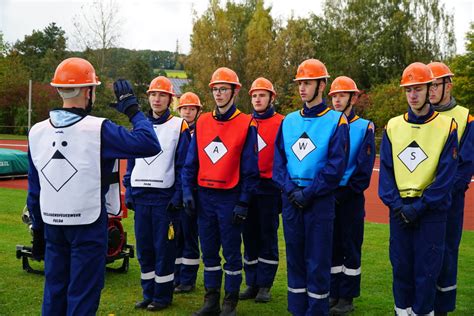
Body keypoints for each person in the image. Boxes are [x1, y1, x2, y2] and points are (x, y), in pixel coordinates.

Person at [26, 57, 161, 315]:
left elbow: (35, 190)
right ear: (89, 91)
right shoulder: (99, 129)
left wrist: (38, 232)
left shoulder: (37, 131)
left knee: (54, 293)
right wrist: (133, 110)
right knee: (83, 296)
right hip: (87, 226)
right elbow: (148, 143)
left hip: (52, 226)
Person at [378, 62, 459, 315]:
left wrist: (420, 207)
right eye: (408, 90)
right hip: (399, 210)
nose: (412, 95)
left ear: (428, 89)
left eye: (417, 89)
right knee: (401, 270)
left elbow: (446, 177)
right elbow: (386, 174)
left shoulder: (447, 126)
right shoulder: (392, 126)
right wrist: (398, 205)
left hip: (430, 213)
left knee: (427, 273)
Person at [273, 59, 349, 316]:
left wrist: (310, 192)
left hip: (319, 203)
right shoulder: (288, 121)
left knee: (317, 262)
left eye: (307, 83)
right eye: (300, 83)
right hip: (292, 199)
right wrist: (291, 190)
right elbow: (279, 163)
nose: (302, 88)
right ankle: (297, 310)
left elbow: (335, 167)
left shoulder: (337, 121)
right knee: (294, 261)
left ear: (322, 85)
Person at [182, 67, 259, 316]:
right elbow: (190, 162)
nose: (218, 94)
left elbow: (250, 169)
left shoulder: (247, 123)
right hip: (205, 197)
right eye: (215, 89)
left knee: (232, 253)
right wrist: (187, 192)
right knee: (209, 252)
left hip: (231, 197)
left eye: (223, 89)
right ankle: (211, 300)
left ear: (235, 91)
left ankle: (230, 302)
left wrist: (244, 202)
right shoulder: (202, 121)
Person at [123, 76, 191, 311]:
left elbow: (184, 164)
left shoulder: (178, 125)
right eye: (153, 94)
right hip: (141, 197)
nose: (157, 99)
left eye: (162, 95)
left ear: (170, 98)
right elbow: (131, 161)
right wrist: (128, 189)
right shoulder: (140, 125)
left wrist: (179, 195)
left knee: (164, 249)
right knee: (145, 249)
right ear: (148, 98)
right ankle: (148, 293)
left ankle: (162, 296)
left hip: (165, 200)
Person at [427, 62, 473, 316]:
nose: (430, 90)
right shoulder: (420, 115)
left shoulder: (466, 117)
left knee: (446, 253)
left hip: (449, 202)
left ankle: (442, 308)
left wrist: (439, 194)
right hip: (423, 201)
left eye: (435, 85)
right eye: (428, 85)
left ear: (448, 85)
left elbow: (464, 168)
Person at [328, 76, 376, 314]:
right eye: (334, 96)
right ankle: (334, 292)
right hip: (328, 195)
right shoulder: (328, 123)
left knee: (350, 246)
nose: (337, 100)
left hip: (350, 198)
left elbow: (364, 168)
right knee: (332, 247)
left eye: (342, 96)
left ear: (353, 98)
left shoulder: (365, 126)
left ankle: (347, 297)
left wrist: (345, 193)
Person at [239, 77, 284, 303]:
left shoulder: (282, 123)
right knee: (249, 236)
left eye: (262, 95)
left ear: (271, 98)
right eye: (254, 95)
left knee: (267, 237)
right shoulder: (245, 122)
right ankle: (252, 283)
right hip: (248, 187)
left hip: (270, 188)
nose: (258, 99)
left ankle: (265, 285)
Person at [174, 92, 203, 293]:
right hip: (177, 190)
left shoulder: (202, 131)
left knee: (190, 235)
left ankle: (188, 279)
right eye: (184, 108)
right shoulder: (174, 130)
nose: (188, 112)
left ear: (198, 111)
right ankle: (176, 276)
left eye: (192, 109)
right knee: (176, 236)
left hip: (194, 191)